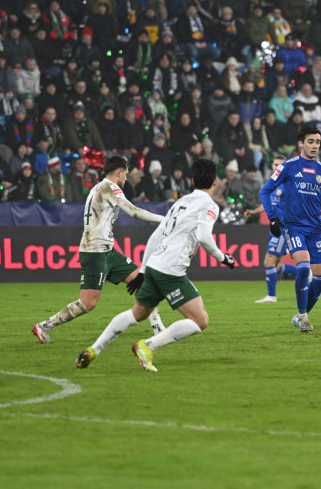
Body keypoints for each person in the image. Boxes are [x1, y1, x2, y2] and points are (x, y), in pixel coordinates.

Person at [76, 159, 237, 371]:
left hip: (153, 265)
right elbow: (204, 236)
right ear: (215, 182)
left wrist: (142, 271)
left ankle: (94, 349)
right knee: (200, 320)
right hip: (170, 270)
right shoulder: (209, 205)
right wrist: (223, 257)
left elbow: (155, 237)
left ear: (192, 181)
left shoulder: (180, 203)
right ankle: (148, 345)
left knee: (137, 314)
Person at [33, 156, 166, 344]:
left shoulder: (98, 188)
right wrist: (164, 219)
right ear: (119, 173)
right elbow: (135, 212)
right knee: (88, 304)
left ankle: (159, 329)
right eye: (126, 174)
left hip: (107, 250)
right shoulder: (110, 187)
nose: (126, 179)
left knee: (143, 282)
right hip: (94, 251)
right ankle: (45, 325)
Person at [259, 125, 321, 332]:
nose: (314, 146)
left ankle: (300, 315)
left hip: (316, 229)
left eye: (318, 142)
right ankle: (303, 317)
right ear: (300, 143)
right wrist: (273, 218)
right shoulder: (288, 166)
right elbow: (265, 191)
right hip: (294, 228)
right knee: (303, 268)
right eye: (310, 142)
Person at [244, 154, 298, 303]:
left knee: (268, 261)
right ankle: (305, 273)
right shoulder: (272, 184)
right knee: (277, 265)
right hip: (274, 227)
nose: (277, 167)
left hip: (282, 228)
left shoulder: (288, 184)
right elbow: (269, 203)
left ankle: (271, 296)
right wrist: (254, 211)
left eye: (280, 165)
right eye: (275, 165)